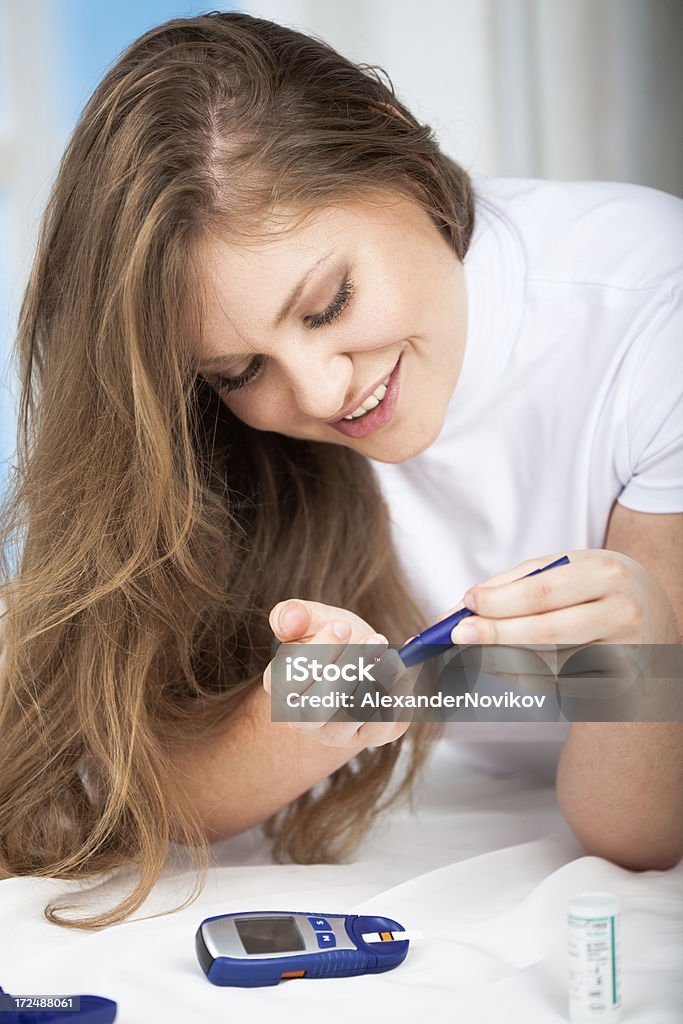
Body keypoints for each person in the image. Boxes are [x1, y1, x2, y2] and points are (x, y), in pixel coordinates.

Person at [0, 11, 680, 932]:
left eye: (329, 304)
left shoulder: (651, 308)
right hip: (427, 832)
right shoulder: (224, 439)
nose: (322, 394)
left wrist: (641, 657)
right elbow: (123, 801)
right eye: (239, 373)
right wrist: (296, 717)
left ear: (398, 145)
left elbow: (637, 836)